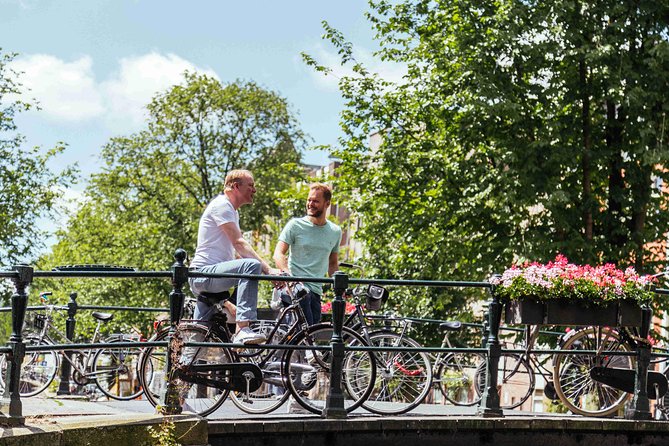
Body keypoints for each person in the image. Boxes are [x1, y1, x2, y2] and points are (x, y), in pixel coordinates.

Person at [189, 169, 282, 345]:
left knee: (197, 340)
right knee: (251, 266)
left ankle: (185, 367)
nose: (254, 190)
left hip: (208, 278)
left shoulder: (231, 210)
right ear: (236, 186)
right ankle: (242, 328)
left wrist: (268, 275)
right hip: (204, 275)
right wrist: (268, 270)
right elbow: (239, 243)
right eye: (251, 186)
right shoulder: (222, 206)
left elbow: (238, 253)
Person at [273, 183, 342, 325]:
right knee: (306, 336)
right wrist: (288, 276)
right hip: (295, 289)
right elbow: (278, 253)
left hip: (316, 291)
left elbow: (333, 263)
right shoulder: (295, 225)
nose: (310, 204)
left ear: (327, 204)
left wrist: (340, 289)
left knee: (309, 335)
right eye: (309, 200)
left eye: (316, 201)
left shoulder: (335, 231)